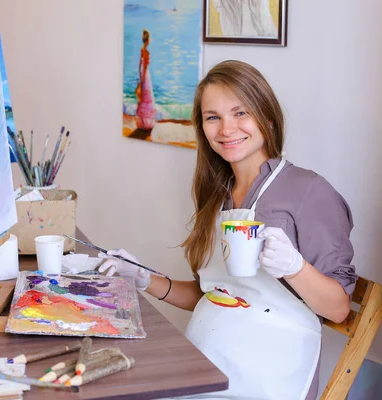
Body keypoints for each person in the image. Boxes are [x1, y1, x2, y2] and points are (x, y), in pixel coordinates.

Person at [99, 60, 358, 400]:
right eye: (213, 117)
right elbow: (217, 294)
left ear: (266, 116)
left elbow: (338, 308)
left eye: (240, 113)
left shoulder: (308, 190)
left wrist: (295, 268)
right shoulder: (217, 194)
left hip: (266, 378)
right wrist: (143, 278)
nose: (226, 129)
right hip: (203, 365)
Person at [135, 29, 157, 130]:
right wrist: (143, 79)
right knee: (146, 97)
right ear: (147, 40)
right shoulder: (146, 52)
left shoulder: (141, 50)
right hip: (145, 75)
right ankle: (146, 123)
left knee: (144, 98)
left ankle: (143, 122)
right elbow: (144, 67)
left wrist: (140, 76)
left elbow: (140, 65)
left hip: (143, 74)